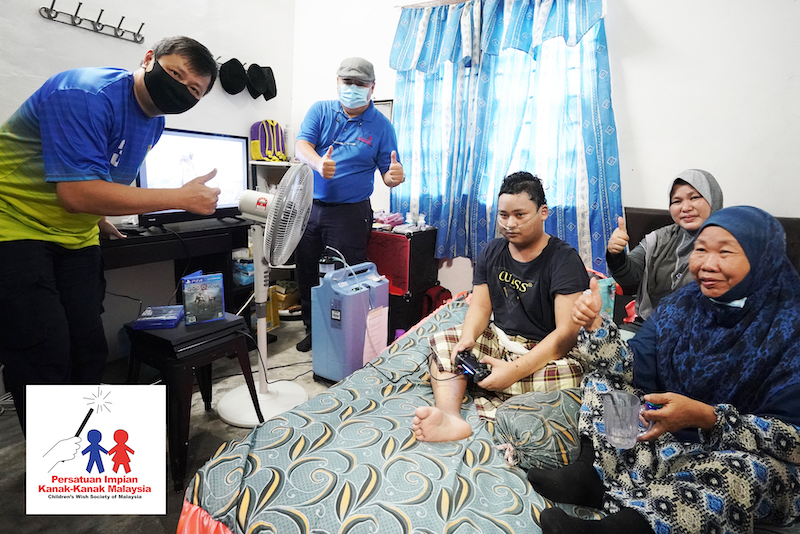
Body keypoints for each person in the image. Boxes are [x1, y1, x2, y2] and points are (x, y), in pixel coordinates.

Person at [529, 206, 800, 534]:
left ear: (762, 258)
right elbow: (631, 366)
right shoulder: (680, 305)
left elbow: (793, 440)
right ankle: (594, 475)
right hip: (666, 440)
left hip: (745, 460)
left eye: (725, 252)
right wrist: (596, 326)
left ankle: (622, 528)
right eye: (701, 249)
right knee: (605, 380)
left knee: (742, 472)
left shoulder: (789, 326)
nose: (707, 264)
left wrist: (706, 417)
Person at [0, 36, 221, 433]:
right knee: (42, 352)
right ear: (149, 58)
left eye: (194, 90)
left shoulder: (154, 124)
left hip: (76, 234)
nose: (182, 89)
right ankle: (56, 461)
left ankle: (81, 444)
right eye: (175, 74)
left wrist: (100, 215)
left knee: (88, 348)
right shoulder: (85, 93)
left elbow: (95, 178)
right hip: (12, 224)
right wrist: (180, 197)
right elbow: (76, 192)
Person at [412, 172, 589, 442]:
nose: (510, 224)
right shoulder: (492, 251)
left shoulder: (563, 259)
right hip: (501, 339)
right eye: (503, 215)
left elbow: (565, 336)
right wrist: (468, 339)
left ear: (543, 212)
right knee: (445, 342)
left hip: (543, 351)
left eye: (520, 215)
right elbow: (481, 308)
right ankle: (450, 416)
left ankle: (490, 384)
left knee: (572, 376)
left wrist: (513, 372)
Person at [293, 57, 405, 352]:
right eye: (347, 82)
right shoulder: (320, 110)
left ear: (372, 88)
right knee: (306, 271)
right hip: (310, 208)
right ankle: (312, 330)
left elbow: (388, 173)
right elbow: (301, 145)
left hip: (350, 212)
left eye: (360, 84)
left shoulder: (381, 126)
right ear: (338, 82)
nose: (353, 88)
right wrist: (318, 163)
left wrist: (394, 177)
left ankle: (346, 334)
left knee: (348, 276)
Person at [606, 169, 722, 324]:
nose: (685, 207)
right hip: (650, 325)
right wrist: (616, 255)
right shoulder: (660, 238)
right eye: (677, 201)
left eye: (694, 197)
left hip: (702, 330)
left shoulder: (731, 244)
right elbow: (629, 278)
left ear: (713, 198)